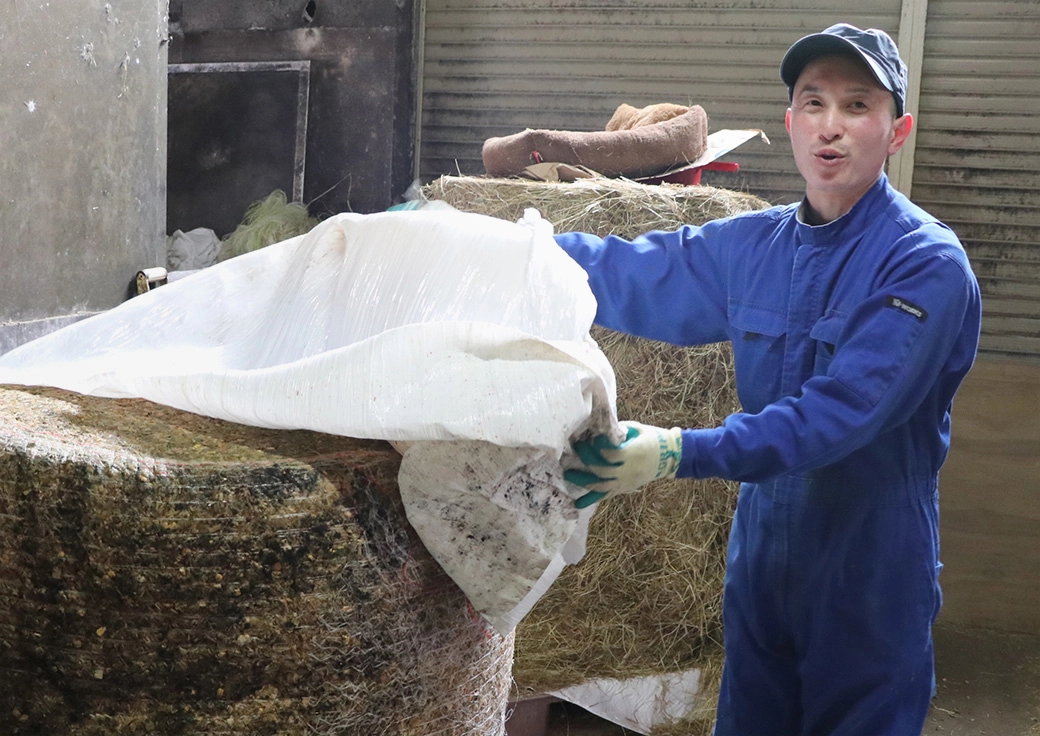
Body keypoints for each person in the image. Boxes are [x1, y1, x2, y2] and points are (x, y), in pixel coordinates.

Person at [556, 23, 982, 736]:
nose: (832, 127)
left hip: (868, 572)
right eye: (813, 103)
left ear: (896, 130)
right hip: (761, 566)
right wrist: (504, 246)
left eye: (857, 107)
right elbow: (630, 269)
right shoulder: (756, 245)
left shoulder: (924, 265)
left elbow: (838, 415)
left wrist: (673, 451)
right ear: (790, 123)